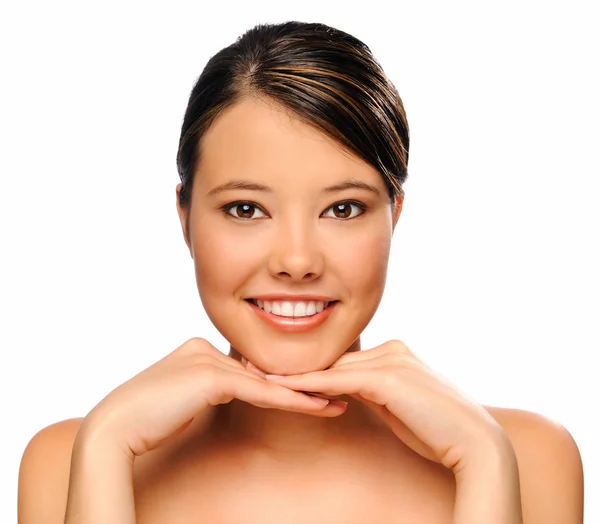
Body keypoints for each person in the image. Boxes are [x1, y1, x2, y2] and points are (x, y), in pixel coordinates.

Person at [18, 21, 583, 523]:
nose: (296, 262)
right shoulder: (70, 461)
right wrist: (106, 447)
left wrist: (482, 462)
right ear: (185, 220)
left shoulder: (526, 457)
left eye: (343, 209)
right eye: (246, 209)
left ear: (395, 218)